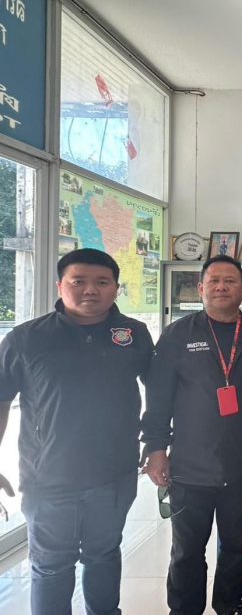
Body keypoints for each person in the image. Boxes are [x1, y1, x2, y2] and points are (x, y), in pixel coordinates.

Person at [0, 248, 153, 615]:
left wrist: (158, 444)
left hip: (114, 474)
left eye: (102, 282)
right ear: (60, 286)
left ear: (116, 288)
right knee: (51, 565)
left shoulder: (133, 334)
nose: (90, 290)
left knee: (103, 555)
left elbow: (162, 391)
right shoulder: (26, 338)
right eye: (78, 281)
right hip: (48, 478)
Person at [142, 255, 242, 615]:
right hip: (191, 464)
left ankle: (229, 604)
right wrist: (156, 448)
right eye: (214, 281)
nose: (221, 287)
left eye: (230, 281)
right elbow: (158, 397)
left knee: (237, 545)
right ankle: (184, 609)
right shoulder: (178, 334)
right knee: (187, 549)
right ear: (201, 288)